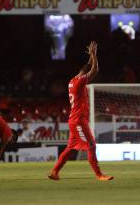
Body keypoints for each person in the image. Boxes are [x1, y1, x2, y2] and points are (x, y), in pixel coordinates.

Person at [48, 41, 113, 181]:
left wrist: (91, 55)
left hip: (74, 119)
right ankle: (99, 175)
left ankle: (54, 172)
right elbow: (94, 70)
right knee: (91, 145)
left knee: (70, 148)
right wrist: (94, 55)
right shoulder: (79, 82)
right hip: (78, 121)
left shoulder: (72, 80)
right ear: (84, 75)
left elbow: (89, 67)